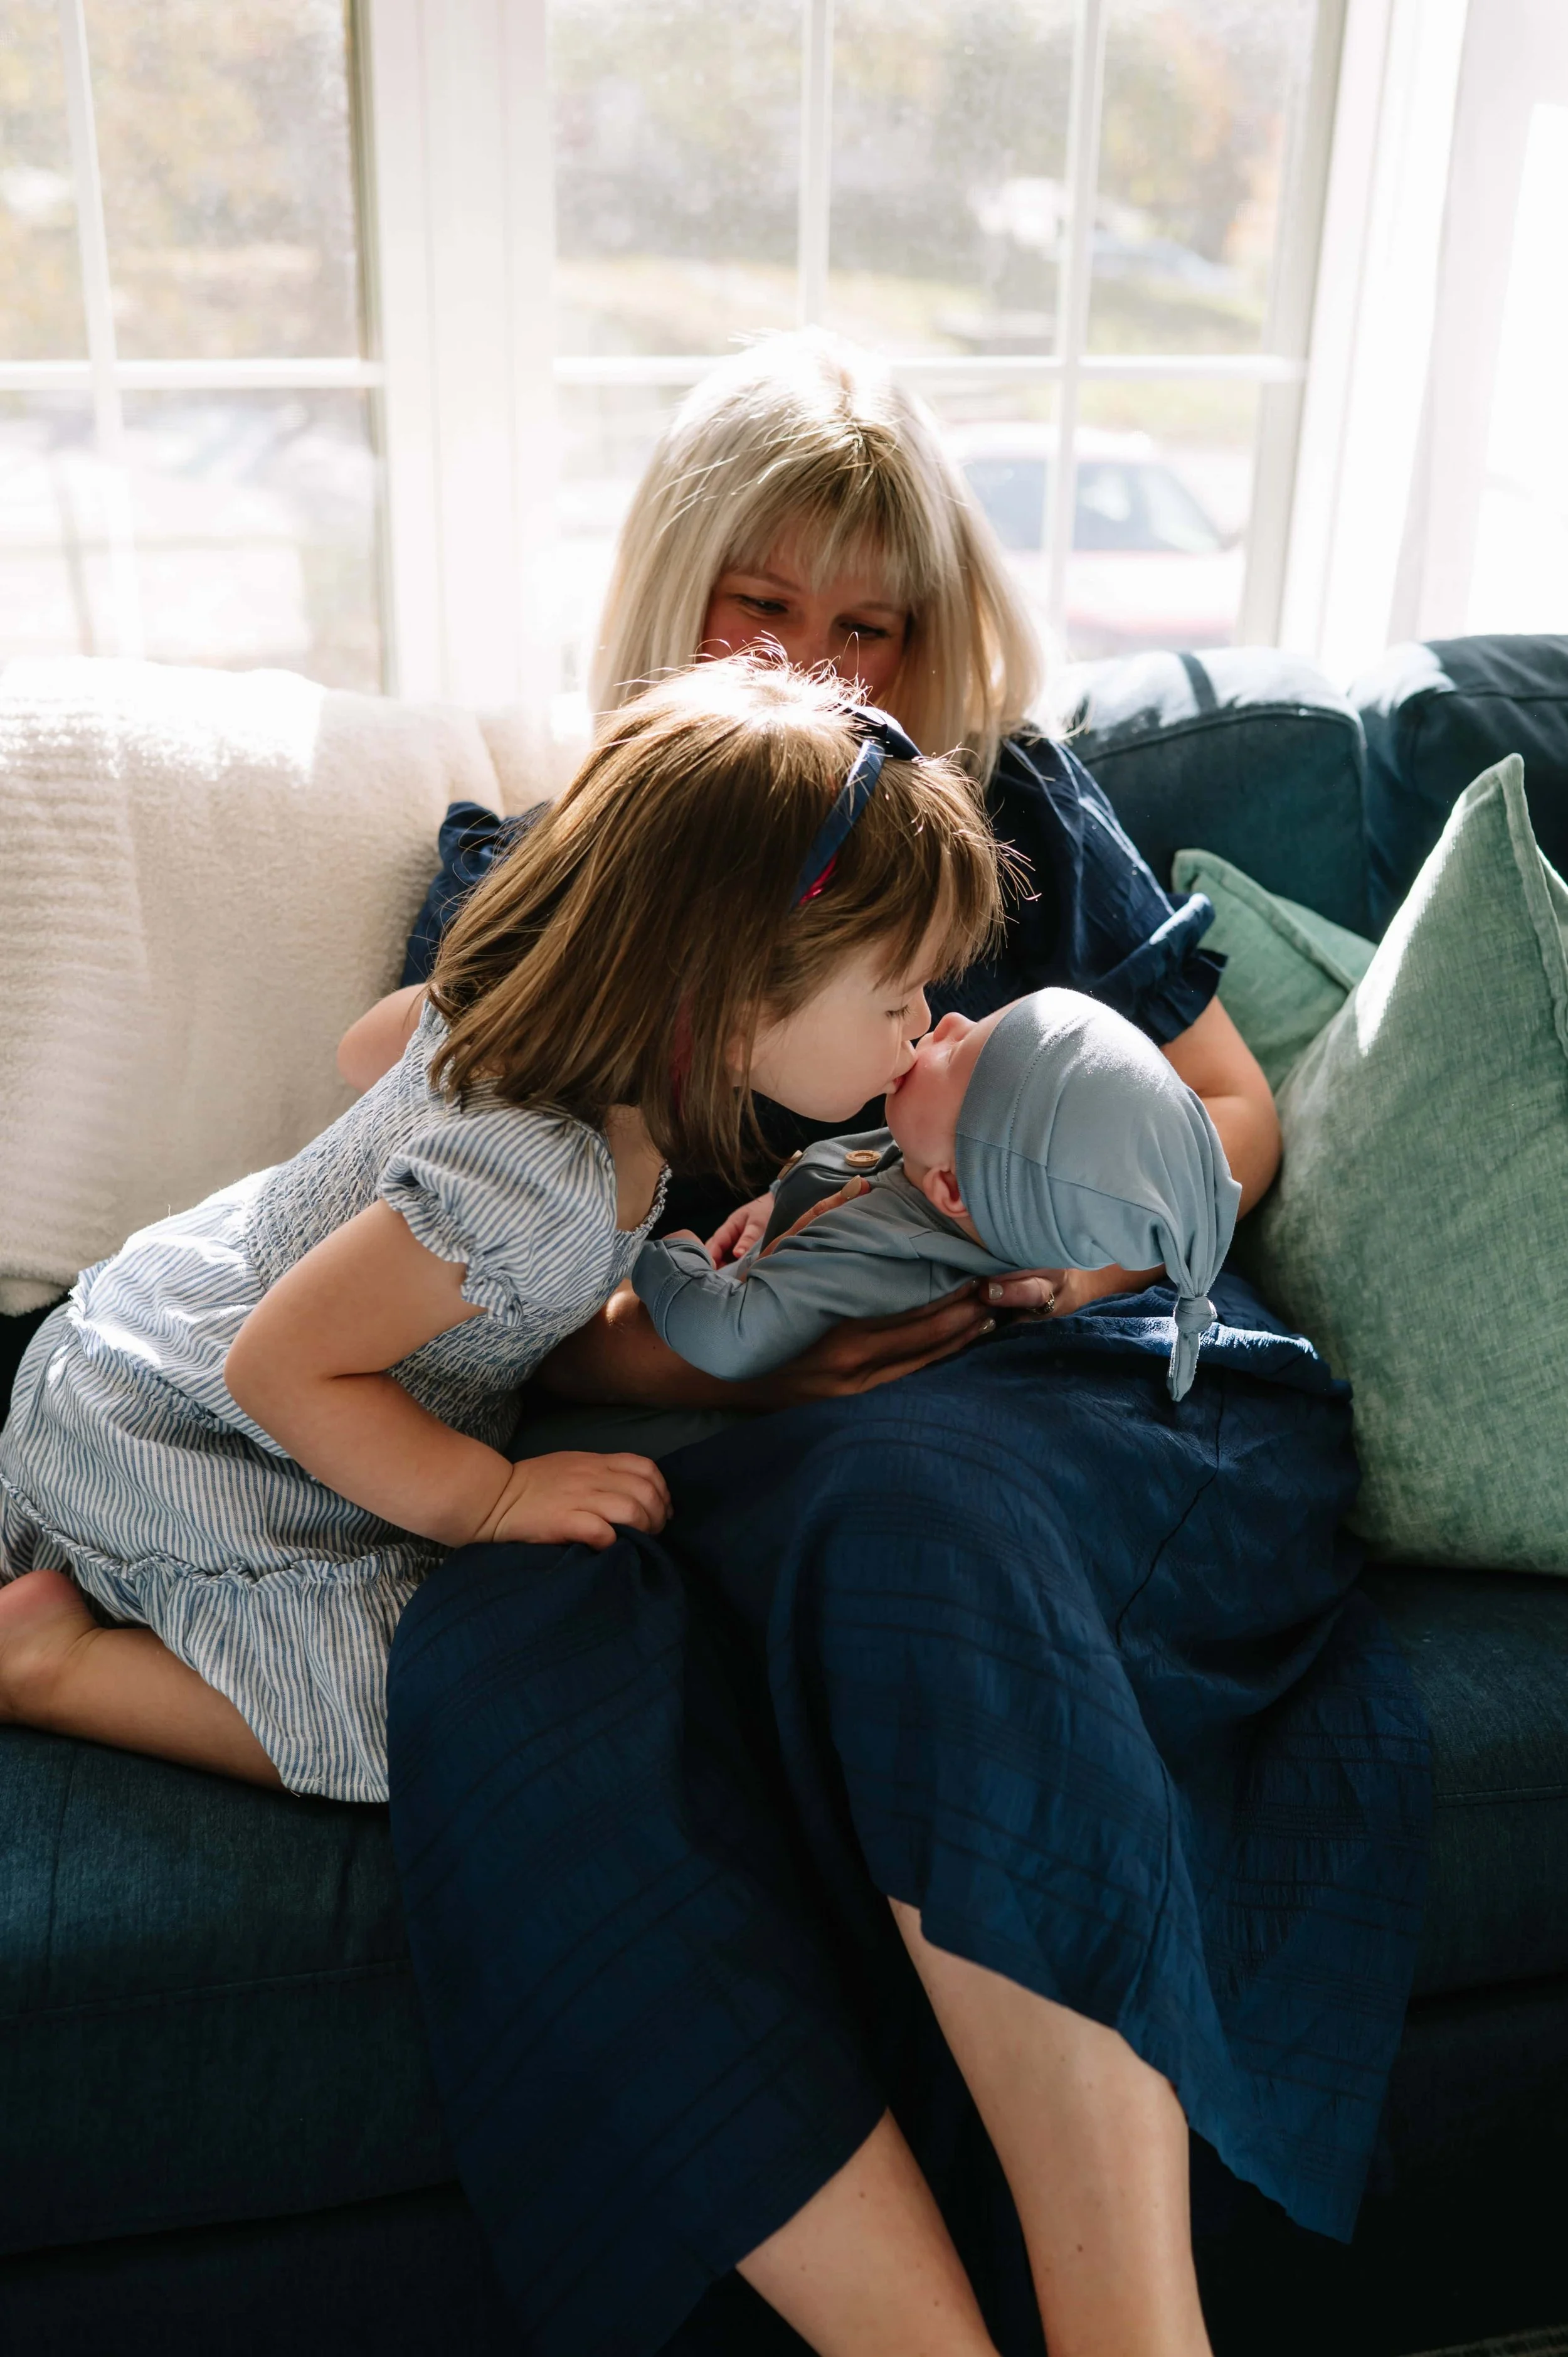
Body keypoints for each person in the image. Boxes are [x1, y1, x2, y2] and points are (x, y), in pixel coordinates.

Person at [361, 336, 1426, 2357]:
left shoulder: (1002, 809)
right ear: (667, 598)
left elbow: (1231, 1111)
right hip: (731, 1445)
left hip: (1104, 1394)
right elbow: (479, 1313)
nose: (821, 665)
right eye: (760, 604)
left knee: (912, 1500)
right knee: (493, 1647)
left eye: (872, 625)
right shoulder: (549, 878)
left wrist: (1072, 1258)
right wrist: (742, 1364)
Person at [0, 661, 999, 1804]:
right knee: (422, 1716)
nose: (923, 1022)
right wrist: (493, 1500)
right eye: (896, 996)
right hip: (169, 1427)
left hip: (167, 1332)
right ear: (730, 1001)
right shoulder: (536, 1183)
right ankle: (50, 1666)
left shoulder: (525, 1019)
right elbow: (274, 1366)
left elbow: (365, 1054)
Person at [634, 987, 1241, 1397]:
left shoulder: (874, 1249)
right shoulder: (949, 1187)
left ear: (951, 1186)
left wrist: (664, 1258)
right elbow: (868, 1165)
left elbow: (732, 1337)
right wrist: (781, 1200)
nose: (945, 1021)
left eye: (958, 1050)